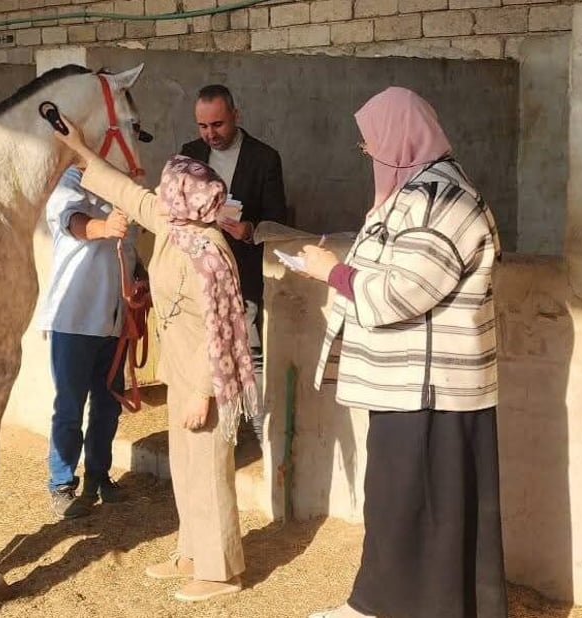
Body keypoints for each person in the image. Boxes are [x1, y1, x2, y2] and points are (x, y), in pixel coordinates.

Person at [298, 87, 507, 618]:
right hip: (411, 384)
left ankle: (391, 608)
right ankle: (378, 604)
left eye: (371, 143)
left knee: (419, 508)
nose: (369, 154)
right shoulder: (416, 192)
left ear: (400, 138)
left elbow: (403, 290)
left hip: (430, 387)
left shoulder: (441, 199)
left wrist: (333, 273)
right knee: (401, 505)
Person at [53, 115, 259, 603]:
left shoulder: (209, 254)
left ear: (185, 199)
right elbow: (126, 192)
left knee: (209, 470)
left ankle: (221, 572)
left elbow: (222, 332)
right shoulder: (176, 225)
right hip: (180, 372)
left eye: (169, 190)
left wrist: (204, 393)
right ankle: (192, 552)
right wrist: (81, 149)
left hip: (204, 379)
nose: (160, 196)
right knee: (186, 468)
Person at [180, 85, 286, 442]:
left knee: (250, 349)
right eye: (203, 126)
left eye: (218, 124)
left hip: (244, 271)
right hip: (200, 269)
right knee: (204, 345)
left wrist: (250, 230)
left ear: (236, 116)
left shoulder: (265, 158)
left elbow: (278, 220)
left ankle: (260, 433)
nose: (210, 134)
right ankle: (225, 433)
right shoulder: (190, 155)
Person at [40, 165, 139, 519]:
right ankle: (61, 482)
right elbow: (72, 221)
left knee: (108, 405)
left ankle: (99, 475)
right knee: (70, 405)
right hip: (75, 318)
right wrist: (104, 227)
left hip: (113, 320)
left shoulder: (126, 186)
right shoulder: (70, 179)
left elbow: (128, 250)